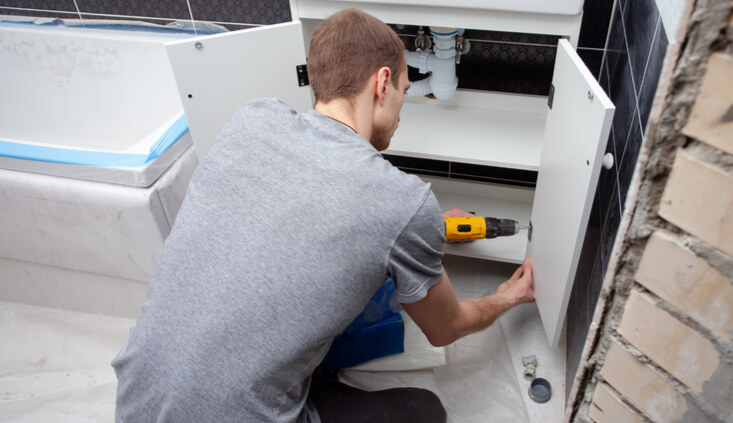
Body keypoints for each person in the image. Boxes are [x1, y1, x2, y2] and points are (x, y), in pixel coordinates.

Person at [112, 8, 534, 423]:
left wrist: (424, 227)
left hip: (134, 407)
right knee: (424, 411)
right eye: (405, 90)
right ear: (382, 83)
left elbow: (305, 209)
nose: (403, 107)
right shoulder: (402, 200)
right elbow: (445, 328)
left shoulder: (252, 120)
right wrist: (507, 297)